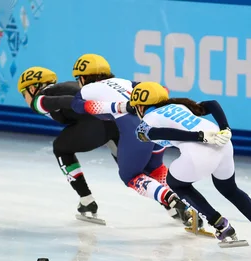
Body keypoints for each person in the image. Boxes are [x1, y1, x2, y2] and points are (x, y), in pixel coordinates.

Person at [81, 81, 251, 255]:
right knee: (231, 190)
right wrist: (225, 128)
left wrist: (198, 137)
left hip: (200, 151)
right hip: (223, 144)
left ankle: (221, 225)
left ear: (139, 106)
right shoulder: (180, 105)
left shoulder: (146, 120)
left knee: (176, 184)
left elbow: (159, 134)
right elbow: (212, 103)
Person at [30, 55, 191, 226]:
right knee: (154, 167)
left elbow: (70, 103)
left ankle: (88, 199)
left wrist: (114, 107)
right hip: (156, 125)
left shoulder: (84, 91)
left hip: (127, 128)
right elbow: (161, 89)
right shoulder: (124, 82)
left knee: (130, 176)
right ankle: (183, 206)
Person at [18, 66, 119, 224]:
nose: (25, 99)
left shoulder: (39, 100)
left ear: (32, 88)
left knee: (60, 147)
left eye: (23, 94)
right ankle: (169, 201)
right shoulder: (67, 85)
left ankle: (86, 199)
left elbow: (63, 101)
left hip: (95, 123)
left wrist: (84, 106)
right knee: (132, 172)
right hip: (115, 122)